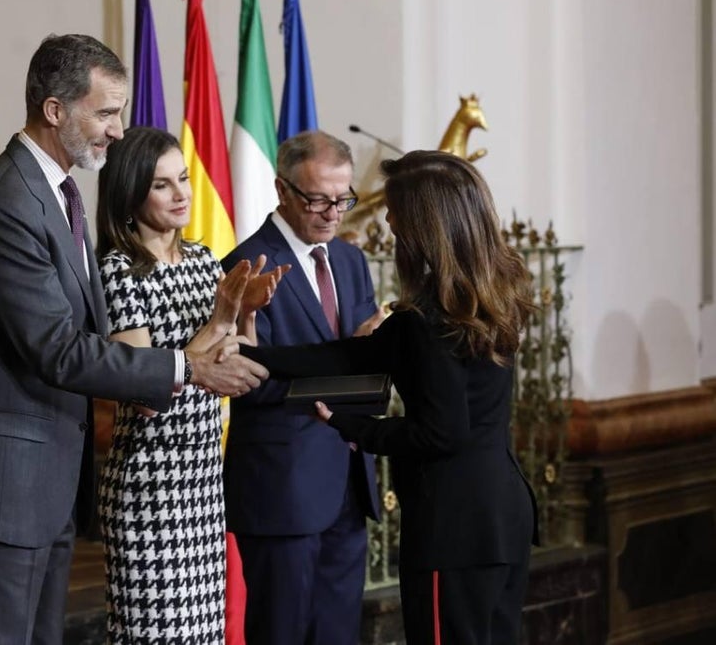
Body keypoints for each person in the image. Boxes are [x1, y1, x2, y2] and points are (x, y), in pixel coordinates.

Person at [0, 34, 267, 645]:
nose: (117, 130)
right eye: (105, 113)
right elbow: (55, 347)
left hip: (42, 490)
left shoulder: (58, 193)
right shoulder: (6, 202)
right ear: (55, 110)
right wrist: (187, 367)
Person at [241, 150, 539, 645]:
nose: (389, 223)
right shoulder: (491, 296)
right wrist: (253, 356)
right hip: (504, 515)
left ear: (423, 224)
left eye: (395, 211)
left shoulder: (424, 321)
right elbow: (348, 355)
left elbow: (440, 433)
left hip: (454, 529)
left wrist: (352, 427)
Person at [95, 126, 286, 643]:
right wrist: (219, 318)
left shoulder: (203, 261)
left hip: (202, 479)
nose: (182, 193)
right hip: (149, 483)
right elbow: (142, 393)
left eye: (183, 178)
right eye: (162, 185)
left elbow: (234, 362)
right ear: (130, 193)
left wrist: (246, 314)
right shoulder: (118, 271)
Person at [221, 131, 384, 645]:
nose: (333, 213)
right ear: (282, 190)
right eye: (318, 200)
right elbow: (250, 381)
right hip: (283, 489)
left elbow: (370, 372)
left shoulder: (352, 262)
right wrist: (349, 365)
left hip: (349, 481)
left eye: (343, 199)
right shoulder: (245, 266)